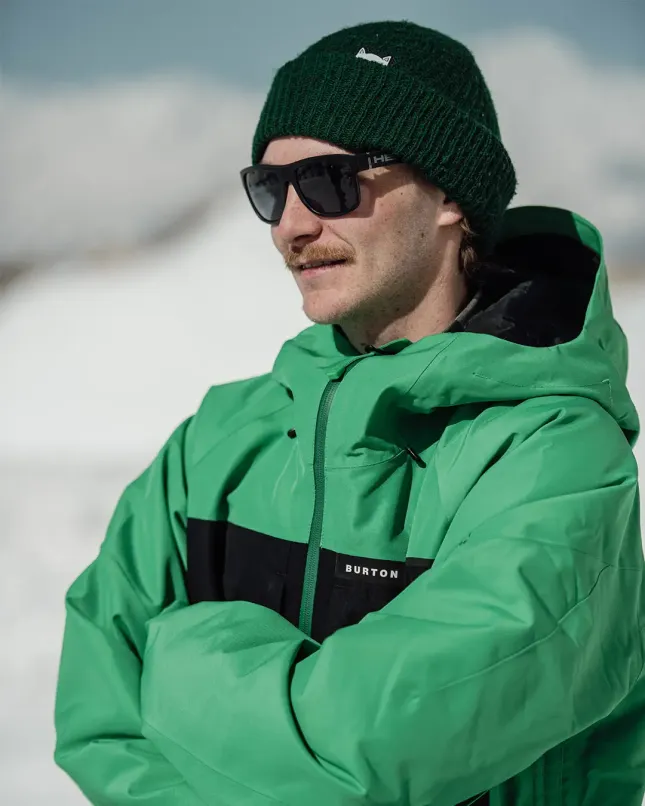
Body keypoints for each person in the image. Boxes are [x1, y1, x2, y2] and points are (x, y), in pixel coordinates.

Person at [54, 20, 645, 806]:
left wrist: (177, 658)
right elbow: (97, 718)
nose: (293, 224)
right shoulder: (217, 441)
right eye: (269, 190)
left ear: (447, 196)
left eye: (333, 181)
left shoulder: (557, 453)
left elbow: (379, 749)